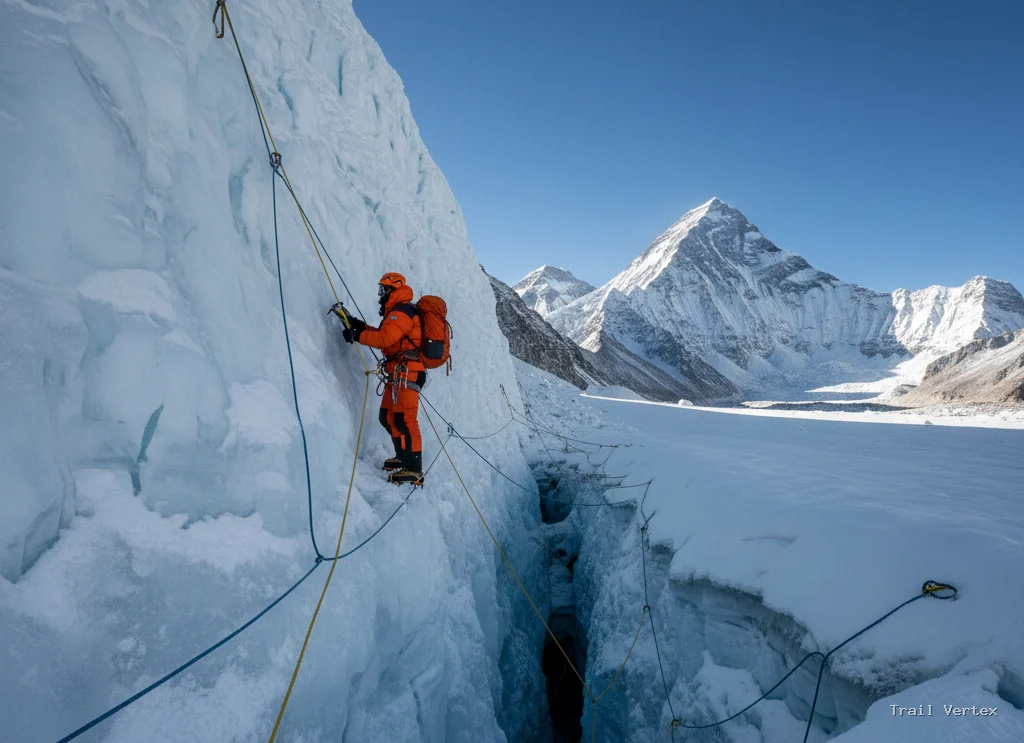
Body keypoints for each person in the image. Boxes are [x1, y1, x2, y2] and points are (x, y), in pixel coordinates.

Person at [335, 272, 425, 485]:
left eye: (383, 289)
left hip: (408, 372)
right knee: (388, 417)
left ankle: (414, 469)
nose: (381, 294)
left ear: (394, 289)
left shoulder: (402, 311)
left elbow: (384, 339)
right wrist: (358, 325)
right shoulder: (397, 312)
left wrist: (357, 335)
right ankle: (403, 457)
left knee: (406, 420)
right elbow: (386, 336)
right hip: (398, 373)